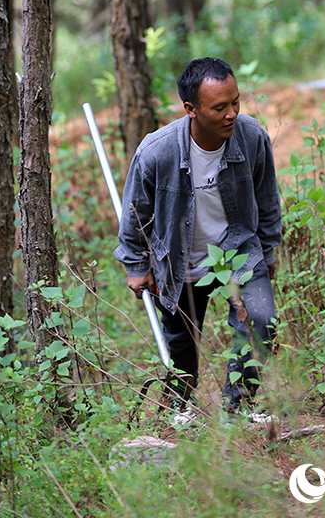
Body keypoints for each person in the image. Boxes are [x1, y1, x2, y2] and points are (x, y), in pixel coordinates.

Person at [114, 57, 281, 418]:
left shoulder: (251, 137)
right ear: (191, 109)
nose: (231, 114)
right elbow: (135, 213)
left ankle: (237, 409)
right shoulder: (157, 152)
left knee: (261, 320)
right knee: (182, 345)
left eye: (235, 102)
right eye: (219, 107)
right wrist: (136, 266)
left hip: (239, 250)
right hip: (180, 260)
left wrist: (267, 252)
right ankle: (180, 409)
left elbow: (267, 199)